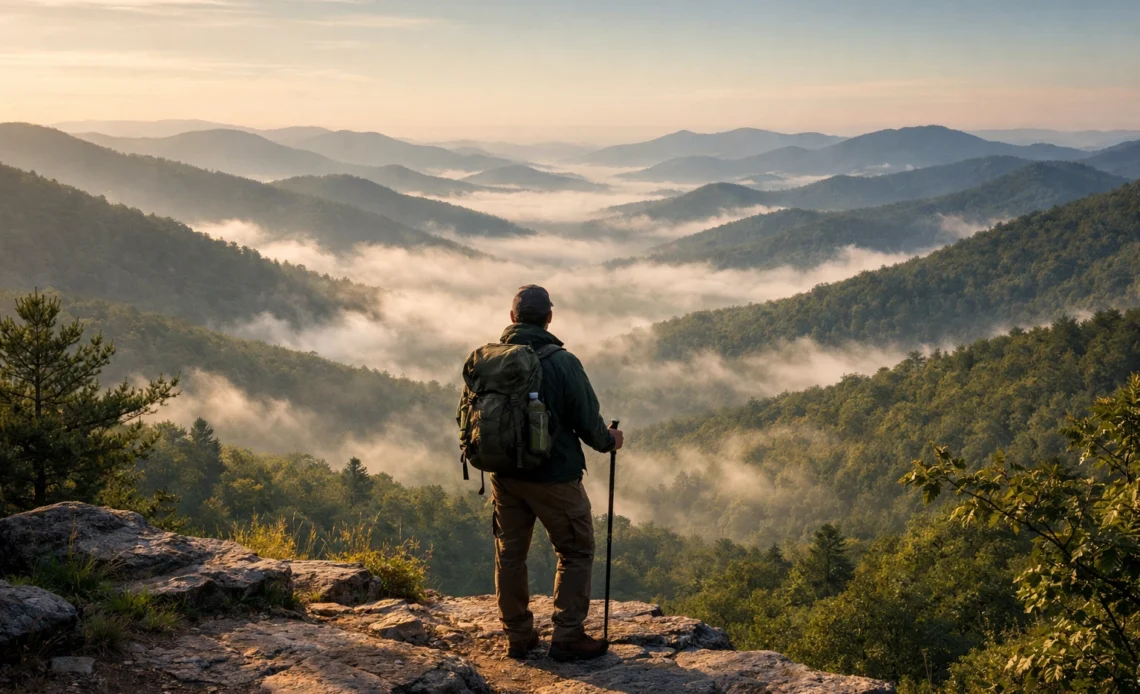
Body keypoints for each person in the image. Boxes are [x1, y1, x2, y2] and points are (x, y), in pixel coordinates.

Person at [492, 284, 624, 662]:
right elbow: (589, 425)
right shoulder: (562, 362)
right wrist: (610, 440)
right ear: (549, 317)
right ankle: (567, 636)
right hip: (554, 479)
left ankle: (518, 636)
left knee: (510, 554)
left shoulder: (491, 359)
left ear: (513, 317)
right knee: (575, 550)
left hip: (505, 475)